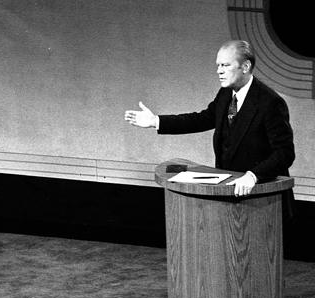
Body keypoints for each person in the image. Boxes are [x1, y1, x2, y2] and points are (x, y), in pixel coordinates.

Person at [124, 40, 295, 199]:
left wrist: (253, 176)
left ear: (245, 66)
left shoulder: (270, 102)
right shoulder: (226, 93)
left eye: (225, 65)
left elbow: (285, 152)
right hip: (230, 193)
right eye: (218, 65)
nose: (219, 71)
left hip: (264, 198)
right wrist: (156, 121)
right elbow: (201, 119)